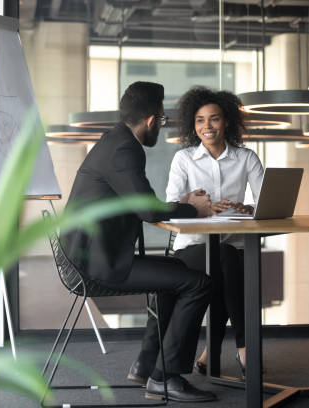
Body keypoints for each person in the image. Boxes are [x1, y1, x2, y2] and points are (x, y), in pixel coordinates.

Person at [62, 81, 217, 403]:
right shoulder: (123, 149)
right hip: (95, 264)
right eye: (162, 120)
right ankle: (165, 376)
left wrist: (184, 202)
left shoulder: (115, 141)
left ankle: (147, 364)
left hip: (95, 255)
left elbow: (140, 201)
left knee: (175, 271)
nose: (160, 126)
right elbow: (147, 210)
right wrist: (193, 208)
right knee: (199, 284)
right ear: (151, 119)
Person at [168, 86, 264, 378]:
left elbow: (265, 201)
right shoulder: (183, 159)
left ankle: (211, 353)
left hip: (233, 245)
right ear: (192, 124)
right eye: (200, 120)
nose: (207, 126)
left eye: (214, 119)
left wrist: (247, 208)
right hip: (192, 248)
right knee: (225, 259)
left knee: (226, 262)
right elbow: (171, 203)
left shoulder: (246, 158)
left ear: (227, 122)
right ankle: (246, 348)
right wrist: (197, 205)